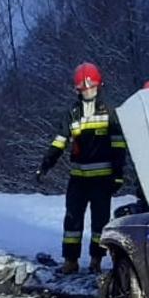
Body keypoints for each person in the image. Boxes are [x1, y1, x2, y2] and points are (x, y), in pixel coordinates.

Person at [35, 62, 128, 275]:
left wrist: (118, 175)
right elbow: (59, 142)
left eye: (91, 88)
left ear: (98, 86)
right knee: (72, 221)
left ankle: (96, 260)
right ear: (77, 89)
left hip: (102, 179)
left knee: (100, 222)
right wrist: (45, 165)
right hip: (78, 178)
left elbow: (119, 146)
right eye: (83, 89)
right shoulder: (72, 113)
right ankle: (70, 260)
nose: (87, 91)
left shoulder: (110, 112)